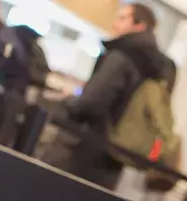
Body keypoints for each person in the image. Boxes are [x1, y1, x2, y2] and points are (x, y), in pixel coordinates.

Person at [60, 3, 174, 189]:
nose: (115, 24)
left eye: (122, 18)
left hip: (88, 145)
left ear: (139, 25)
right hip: (117, 154)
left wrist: (67, 104)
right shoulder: (159, 66)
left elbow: (92, 102)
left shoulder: (122, 56)